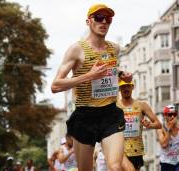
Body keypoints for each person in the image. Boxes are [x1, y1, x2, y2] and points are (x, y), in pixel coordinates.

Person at [51, 3, 132, 171]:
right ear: (88, 21)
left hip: (110, 113)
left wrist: (121, 74)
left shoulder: (114, 49)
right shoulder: (77, 49)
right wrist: (89, 75)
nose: (104, 22)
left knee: (116, 166)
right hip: (85, 116)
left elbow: (109, 73)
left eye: (108, 19)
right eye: (99, 18)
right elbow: (56, 85)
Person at [117, 80, 162, 171]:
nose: (126, 88)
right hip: (120, 150)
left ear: (132, 87)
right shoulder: (115, 106)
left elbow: (158, 124)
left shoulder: (142, 105)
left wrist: (150, 125)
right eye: (123, 86)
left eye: (128, 86)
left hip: (136, 151)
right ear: (119, 88)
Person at [156, 105, 179, 171]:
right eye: (170, 114)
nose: (172, 116)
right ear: (165, 116)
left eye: (174, 114)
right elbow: (164, 145)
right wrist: (170, 129)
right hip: (166, 163)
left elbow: (177, 143)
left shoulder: (178, 128)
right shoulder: (161, 129)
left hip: (178, 162)